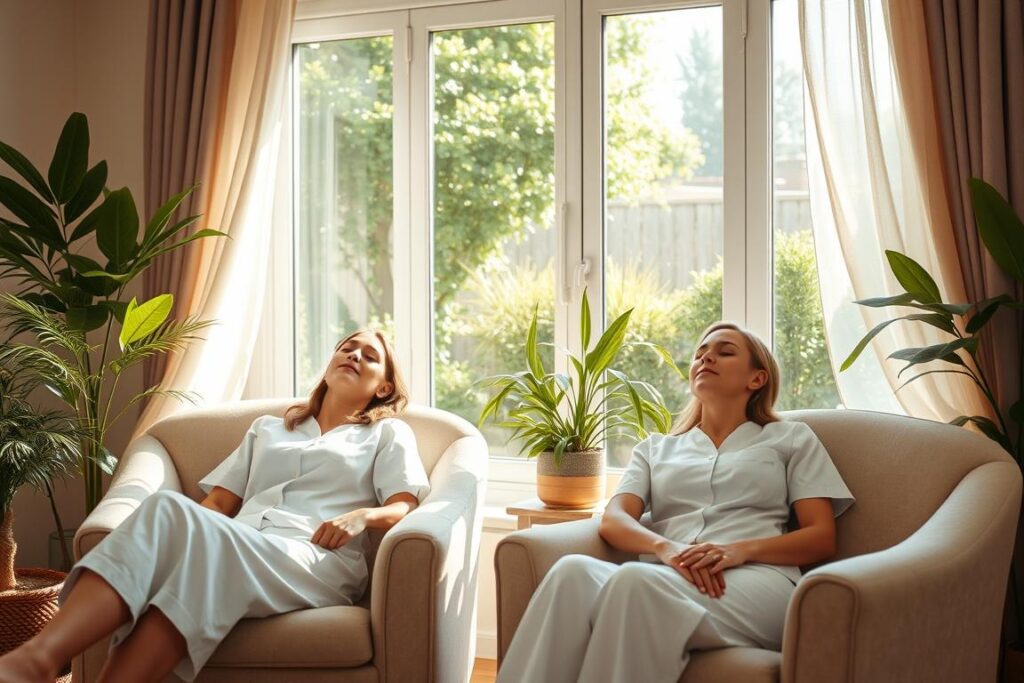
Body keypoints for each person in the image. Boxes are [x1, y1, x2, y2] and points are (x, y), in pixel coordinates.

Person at [0, 329, 430, 683]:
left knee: (171, 512)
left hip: (317, 557)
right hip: (242, 542)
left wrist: (362, 517)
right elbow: (221, 501)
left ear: (384, 386)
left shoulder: (386, 434)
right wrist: (178, 545)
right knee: (182, 551)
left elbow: (403, 504)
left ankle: (36, 661)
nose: (353, 354)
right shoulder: (270, 429)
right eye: (347, 347)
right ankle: (41, 663)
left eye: (369, 356)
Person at [497, 322, 855, 683]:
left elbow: (821, 536)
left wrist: (738, 551)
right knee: (571, 571)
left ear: (757, 379)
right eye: (701, 352)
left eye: (724, 352)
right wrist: (666, 548)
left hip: (759, 581)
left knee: (634, 581)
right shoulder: (656, 448)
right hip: (669, 573)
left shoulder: (791, 438)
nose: (706, 357)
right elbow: (614, 519)